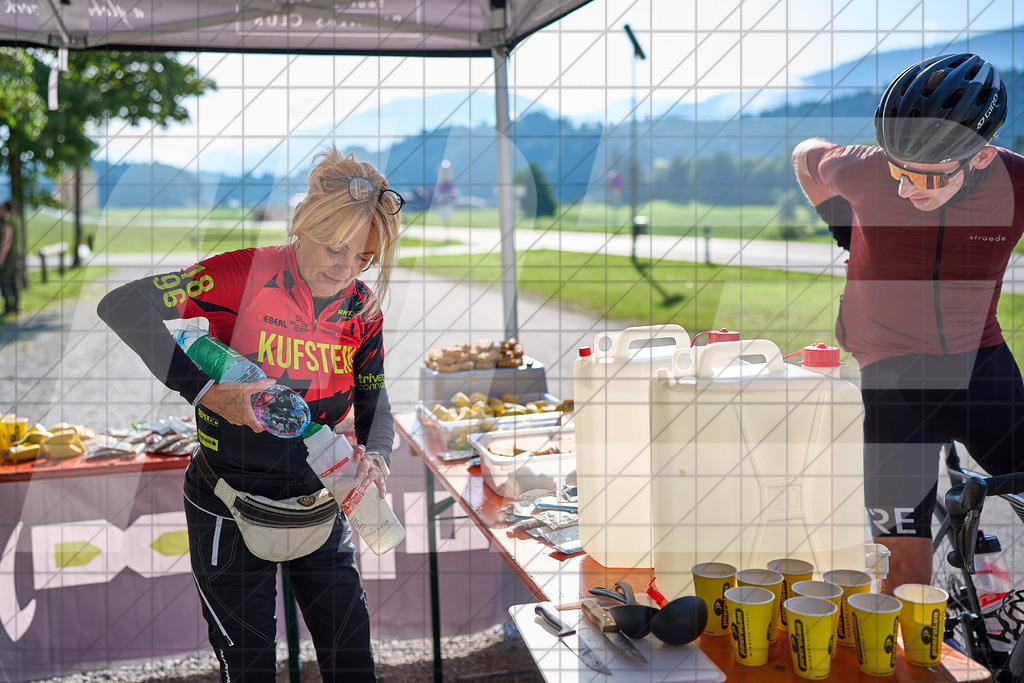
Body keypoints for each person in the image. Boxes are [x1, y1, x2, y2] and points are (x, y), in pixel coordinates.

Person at [98, 146, 403, 681]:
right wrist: (207, 392)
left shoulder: (361, 309)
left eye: (363, 258)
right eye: (334, 248)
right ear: (300, 225)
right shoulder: (237, 275)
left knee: (352, 662)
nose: (345, 268)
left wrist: (375, 455)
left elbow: (376, 405)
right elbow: (124, 305)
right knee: (250, 669)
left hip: (320, 503)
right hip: (228, 504)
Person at [792, 53, 1024, 595]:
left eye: (924, 176)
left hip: (978, 361)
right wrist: (842, 228)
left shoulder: (1016, 182)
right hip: (893, 376)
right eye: (897, 168)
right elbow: (806, 156)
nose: (902, 188)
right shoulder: (865, 167)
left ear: (983, 156)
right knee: (903, 579)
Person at [0, 201, 18, 316]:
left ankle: (8, 307)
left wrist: (1, 258)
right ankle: (15, 306)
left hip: (9, 254)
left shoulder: (8, 220)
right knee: (13, 280)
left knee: (4, 280)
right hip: (17, 254)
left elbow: (7, 240)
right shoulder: (17, 219)